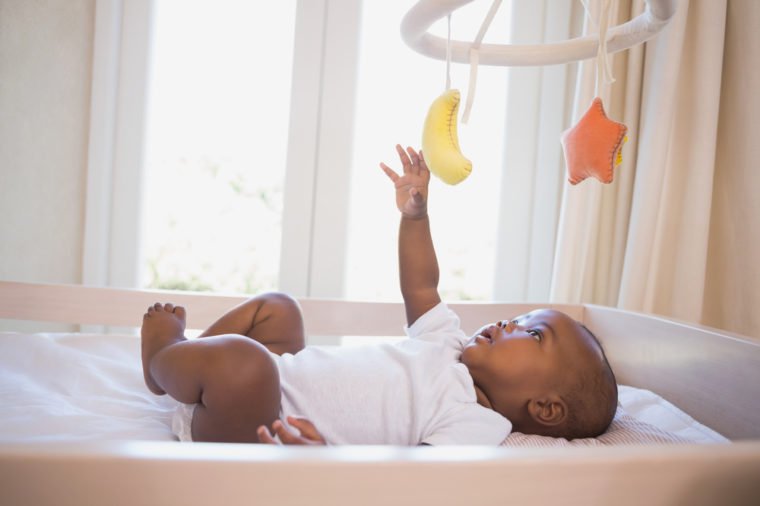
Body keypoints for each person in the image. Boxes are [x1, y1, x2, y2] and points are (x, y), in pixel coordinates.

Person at [141, 144, 618, 445]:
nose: (508, 324)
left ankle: (165, 359)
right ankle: (187, 371)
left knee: (247, 366)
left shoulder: (477, 425)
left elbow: (406, 485)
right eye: (520, 317)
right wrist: (415, 218)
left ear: (546, 408)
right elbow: (421, 286)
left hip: (255, 423)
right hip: (281, 376)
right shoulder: (447, 345)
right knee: (278, 308)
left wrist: (319, 459)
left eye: (532, 335)